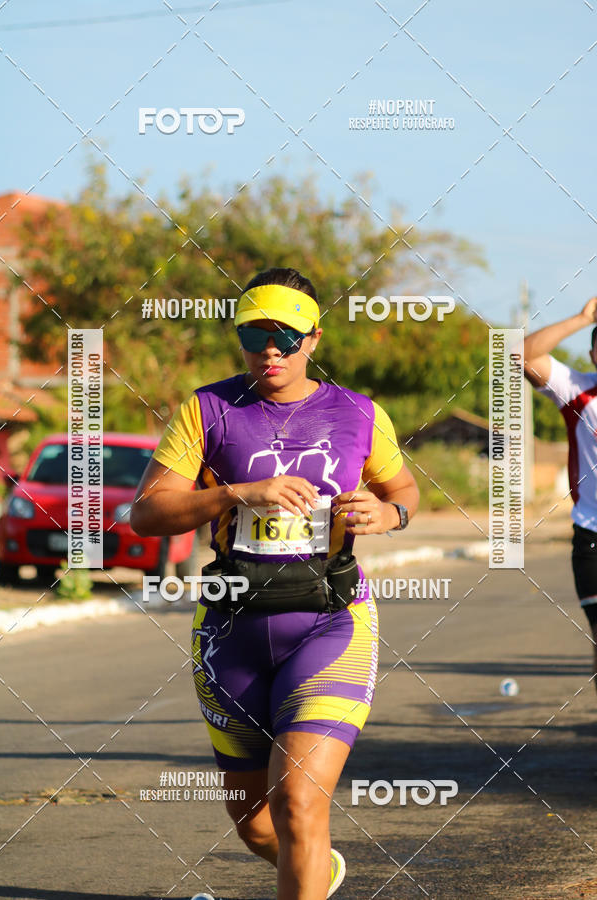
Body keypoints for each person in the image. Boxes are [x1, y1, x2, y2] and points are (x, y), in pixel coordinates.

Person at [131, 267, 419, 899]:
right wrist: (239, 492)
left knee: (297, 804)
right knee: (256, 825)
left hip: (330, 620)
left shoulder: (358, 413)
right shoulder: (207, 409)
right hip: (232, 626)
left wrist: (389, 513)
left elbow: (402, 491)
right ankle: (319, 870)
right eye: (255, 335)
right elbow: (146, 514)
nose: (270, 350)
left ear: (313, 339)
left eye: (286, 337)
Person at [523, 297, 597, 691]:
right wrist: (583, 318)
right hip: (592, 536)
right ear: (593, 353)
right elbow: (524, 354)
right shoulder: (578, 391)